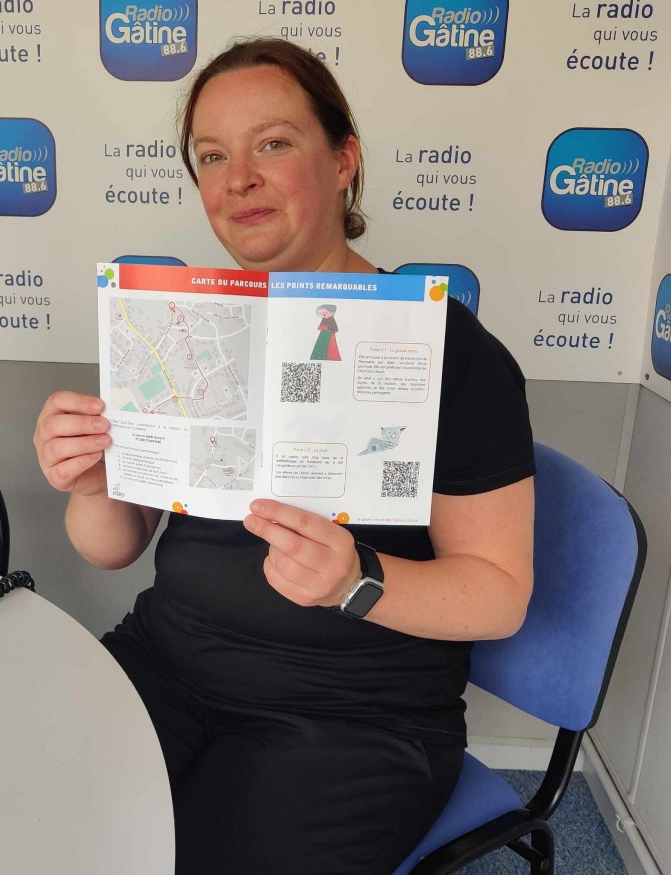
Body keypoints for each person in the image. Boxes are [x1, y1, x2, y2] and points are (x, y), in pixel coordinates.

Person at [34, 38, 535, 875]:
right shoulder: (189, 328)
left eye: (271, 143)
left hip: (349, 717)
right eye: (211, 156)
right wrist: (91, 484)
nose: (238, 179)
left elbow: (498, 593)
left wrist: (356, 580)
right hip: (167, 663)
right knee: (21, 816)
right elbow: (114, 545)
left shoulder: (452, 352)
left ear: (343, 160)